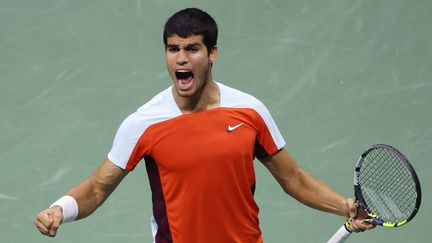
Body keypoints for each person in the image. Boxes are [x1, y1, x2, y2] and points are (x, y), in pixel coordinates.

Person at [34, 7, 374, 242]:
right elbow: (97, 187)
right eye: (173, 49)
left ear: (212, 53)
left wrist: (344, 206)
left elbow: (293, 178)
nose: (181, 58)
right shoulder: (144, 124)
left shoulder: (249, 111)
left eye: (192, 48)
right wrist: (59, 210)